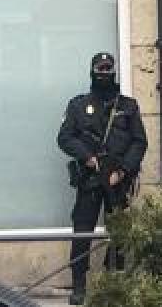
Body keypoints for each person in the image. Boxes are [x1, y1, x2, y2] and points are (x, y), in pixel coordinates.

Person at [56, 52, 147, 305]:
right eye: (100, 68)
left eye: (108, 68)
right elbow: (64, 137)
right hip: (91, 180)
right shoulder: (78, 105)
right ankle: (79, 285)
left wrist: (124, 171)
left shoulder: (128, 106)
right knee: (82, 232)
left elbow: (140, 142)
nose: (104, 73)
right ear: (93, 71)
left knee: (119, 234)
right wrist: (87, 158)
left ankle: (114, 281)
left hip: (118, 179)